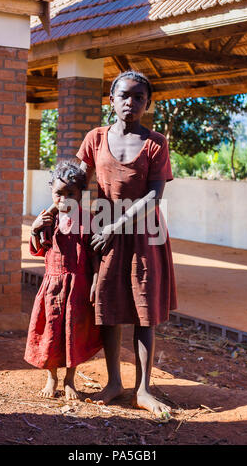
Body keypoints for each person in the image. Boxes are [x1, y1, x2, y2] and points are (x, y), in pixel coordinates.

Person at [76, 71, 177, 420]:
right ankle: (114, 382)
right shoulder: (95, 138)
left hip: (144, 236)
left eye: (138, 98)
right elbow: (75, 180)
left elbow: (154, 195)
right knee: (108, 306)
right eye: (124, 96)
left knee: (143, 311)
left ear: (147, 104)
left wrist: (116, 225)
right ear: (111, 99)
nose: (130, 103)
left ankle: (143, 389)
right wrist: (55, 213)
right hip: (106, 236)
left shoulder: (156, 143)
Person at [24, 160, 102, 400]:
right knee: (51, 330)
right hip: (52, 288)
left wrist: (96, 283)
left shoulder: (88, 221)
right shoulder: (48, 220)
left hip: (78, 288)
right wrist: (34, 229)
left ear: (80, 195)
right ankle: (52, 377)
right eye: (59, 193)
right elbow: (37, 248)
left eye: (71, 193)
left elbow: (95, 257)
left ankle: (69, 379)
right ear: (51, 193)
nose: (64, 198)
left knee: (73, 333)